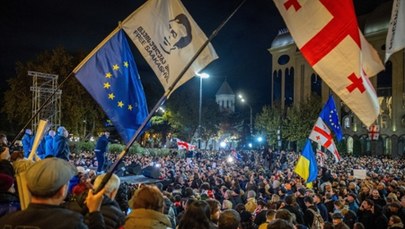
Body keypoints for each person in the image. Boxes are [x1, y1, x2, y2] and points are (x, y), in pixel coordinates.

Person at [0, 157, 106, 229]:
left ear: (27, 187)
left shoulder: (6, 221)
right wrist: (95, 212)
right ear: (62, 190)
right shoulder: (72, 223)